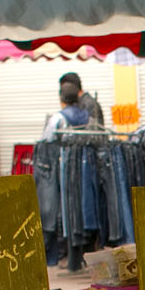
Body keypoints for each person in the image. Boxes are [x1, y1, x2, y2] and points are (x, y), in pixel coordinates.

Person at [41, 81, 91, 274]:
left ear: (61, 99)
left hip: (62, 169)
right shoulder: (87, 116)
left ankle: (63, 254)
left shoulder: (58, 119)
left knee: (59, 211)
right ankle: (79, 254)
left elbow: (47, 140)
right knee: (79, 209)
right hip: (85, 169)